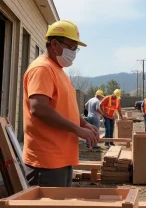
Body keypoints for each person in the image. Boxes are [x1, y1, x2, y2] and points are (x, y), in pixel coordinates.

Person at [23, 20, 99, 187]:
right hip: (47, 159)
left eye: (75, 49)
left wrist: (84, 123)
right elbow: (39, 108)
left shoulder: (59, 71)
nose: (73, 53)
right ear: (55, 43)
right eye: (71, 47)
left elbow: (67, 107)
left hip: (62, 156)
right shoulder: (42, 68)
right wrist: (76, 129)